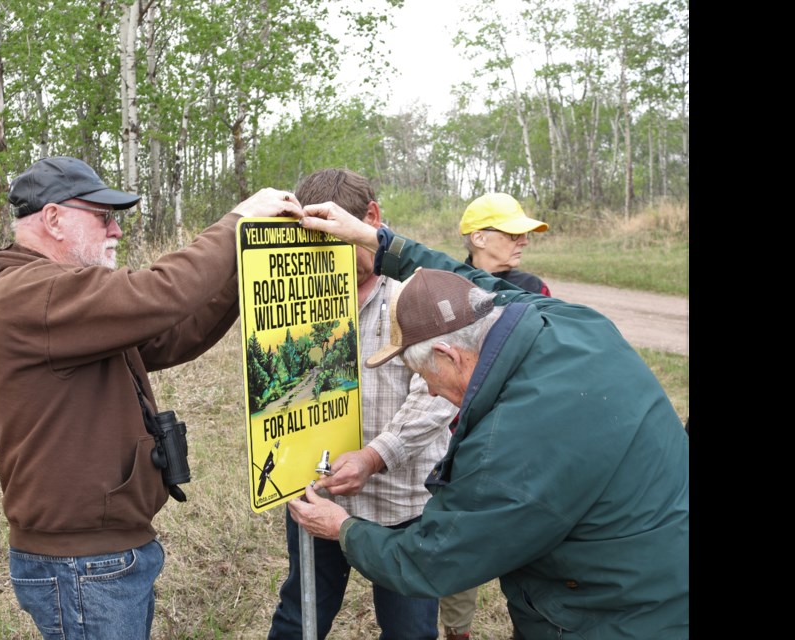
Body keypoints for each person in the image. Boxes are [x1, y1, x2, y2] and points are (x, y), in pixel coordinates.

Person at [284, 203, 690, 639]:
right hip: (663, 565)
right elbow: (477, 285)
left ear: (448, 355)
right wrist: (382, 244)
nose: (433, 393)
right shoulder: (574, 324)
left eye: (425, 378)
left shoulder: (506, 450)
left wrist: (342, 528)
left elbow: (431, 560)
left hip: (611, 616)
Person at [0, 156, 302, 640]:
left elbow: (172, 332)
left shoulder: (62, 300)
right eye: (103, 217)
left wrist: (247, 263)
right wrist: (237, 223)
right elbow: (159, 294)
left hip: (100, 554)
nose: (116, 231)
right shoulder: (29, 293)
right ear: (53, 218)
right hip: (80, 563)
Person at [266, 169, 457, 640]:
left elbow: (437, 400)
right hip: (318, 496)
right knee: (301, 616)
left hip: (405, 506)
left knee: (410, 630)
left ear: (369, 218)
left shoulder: (420, 290)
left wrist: (374, 457)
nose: (327, 259)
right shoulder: (302, 294)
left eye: (337, 243)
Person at [442, 191, 551, 639]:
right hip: (458, 432)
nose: (523, 240)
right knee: (458, 535)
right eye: (512, 232)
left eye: (525, 232)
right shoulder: (445, 286)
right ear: (479, 237)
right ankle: (457, 631)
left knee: (528, 540)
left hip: (520, 433)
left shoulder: (532, 287)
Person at [459, 192, 551, 296]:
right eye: (514, 233)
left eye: (525, 233)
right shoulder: (448, 286)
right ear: (479, 239)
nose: (525, 241)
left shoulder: (534, 288)